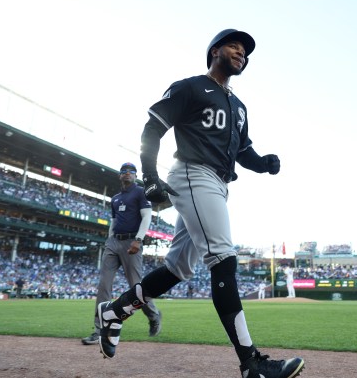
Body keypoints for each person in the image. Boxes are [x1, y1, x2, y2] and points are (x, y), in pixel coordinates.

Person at [96, 29, 305, 378]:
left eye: (245, 50)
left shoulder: (239, 107)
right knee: (222, 256)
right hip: (193, 175)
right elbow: (153, 128)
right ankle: (250, 363)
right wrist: (150, 175)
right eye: (234, 45)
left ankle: (114, 311)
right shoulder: (191, 86)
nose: (241, 52)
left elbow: (243, 152)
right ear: (214, 51)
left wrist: (263, 162)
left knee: (178, 267)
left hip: (217, 184)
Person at [81, 162, 162, 345]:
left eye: (131, 171)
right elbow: (114, 220)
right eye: (124, 171)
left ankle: (154, 315)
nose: (127, 173)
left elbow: (147, 216)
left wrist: (139, 239)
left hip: (132, 241)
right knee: (104, 286)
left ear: (135, 175)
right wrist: (109, 238)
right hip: (114, 242)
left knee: (136, 287)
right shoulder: (115, 198)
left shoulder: (141, 192)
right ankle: (100, 329)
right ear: (120, 176)